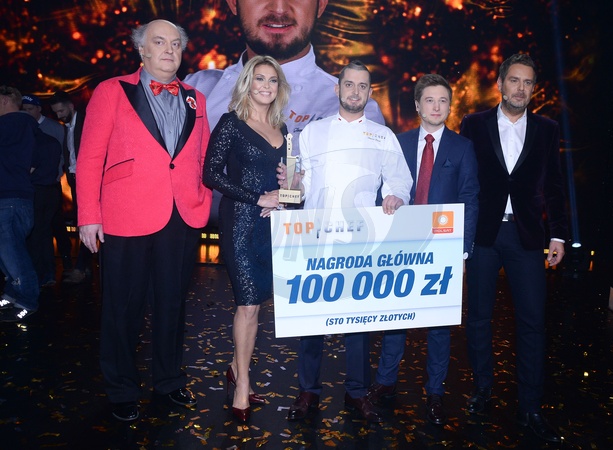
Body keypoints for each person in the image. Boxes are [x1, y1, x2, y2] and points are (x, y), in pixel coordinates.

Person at [76, 19, 212, 422]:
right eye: (159, 42)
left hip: (181, 216)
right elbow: (89, 158)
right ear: (142, 49)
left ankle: (168, 382)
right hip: (125, 215)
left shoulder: (196, 99)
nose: (169, 50)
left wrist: (202, 196)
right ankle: (121, 389)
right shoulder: (111, 90)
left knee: (172, 305)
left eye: (176, 43)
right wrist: (88, 215)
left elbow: (201, 156)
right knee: (123, 309)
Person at [285, 60, 412, 423]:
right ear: (337, 88)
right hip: (316, 237)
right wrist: (290, 187)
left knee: (358, 323)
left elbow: (400, 180)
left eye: (362, 86)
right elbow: (300, 185)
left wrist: (396, 196)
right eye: (349, 84)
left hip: (362, 239)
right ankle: (308, 390)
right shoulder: (311, 132)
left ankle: (357, 391)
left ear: (369, 92)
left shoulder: (383, 136)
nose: (355, 91)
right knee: (311, 321)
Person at [185, 0, 384, 222]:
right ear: (233, 3)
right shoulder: (195, 91)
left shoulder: (353, 108)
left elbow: (351, 204)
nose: (279, 9)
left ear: (321, 5)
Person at [459, 53, 567, 443]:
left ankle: (530, 407)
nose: (520, 88)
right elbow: (464, 181)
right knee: (478, 319)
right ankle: (482, 389)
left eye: (528, 82)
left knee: (533, 322)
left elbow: (554, 185)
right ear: (500, 83)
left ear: (534, 88)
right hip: (483, 236)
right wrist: (457, 236)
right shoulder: (473, 124)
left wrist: (558, 235)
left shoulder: (547, 129)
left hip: (527, 238)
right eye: (514, 80)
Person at [367, 74, 479, 425]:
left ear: (450, 106)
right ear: (418, 105)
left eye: (443, 101)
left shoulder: (463, 148)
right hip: (401, 244)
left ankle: (435, 393)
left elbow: (470, 199)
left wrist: (462, 252)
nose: (436, 106)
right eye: (429, 100)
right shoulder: (398, 143)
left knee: (439, 326)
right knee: (394, 318)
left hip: (443, 247)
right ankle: (385, 382)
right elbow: (382, 189)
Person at [202, 55, 289, 423]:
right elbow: (210, 174)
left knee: (258, 305)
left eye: (272, 80)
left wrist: (287, 190)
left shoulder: (281, 126)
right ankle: (242, 384)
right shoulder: (231, 123)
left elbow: (285, 181)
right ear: (247, 84)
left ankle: (237, 367)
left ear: (279, 87)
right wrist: (257, 198)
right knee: (248, 304)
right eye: (259, 79)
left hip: (271, 226)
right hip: (239, 223)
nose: (266, 86)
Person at [0, 86, 40, 322]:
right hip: (17, 198)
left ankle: (26, 300)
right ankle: (13, 294)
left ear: (5, 100)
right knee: (9, 252)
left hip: (9, 199)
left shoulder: (10, 124)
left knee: (12, 254)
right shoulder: (28, 127)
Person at [22, 94, 73, 274]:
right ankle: (46, 269)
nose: (27, 113)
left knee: (56, 225)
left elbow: (64, 154)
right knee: (40, 228)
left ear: (39, 109)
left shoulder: (53, 128)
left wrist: (57, 175)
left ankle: (65, 262)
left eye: (30, 109)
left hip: (51, 183)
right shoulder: (26, 127)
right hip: (35, 185)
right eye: (24, 109)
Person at [49, 90, 92, 283]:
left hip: (88, 179)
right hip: (75, 179)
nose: (59, 115)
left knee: (87, 222)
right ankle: (85, 266)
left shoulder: (86, 122)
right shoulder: (66, 128)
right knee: (82, 221)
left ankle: (81, 267)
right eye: (56, 112)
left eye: (61, 111)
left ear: (71, 106)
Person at [27, 118, 63, 287]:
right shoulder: (53, 141)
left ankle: (39, 274)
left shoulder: (33, 144)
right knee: (46, 231)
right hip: (53, 190)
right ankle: (49, 273)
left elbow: (29, 170)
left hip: (37, 191)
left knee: (35, 234)